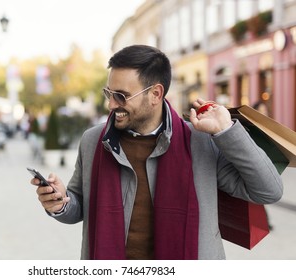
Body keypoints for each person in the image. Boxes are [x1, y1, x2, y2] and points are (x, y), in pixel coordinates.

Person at [31, 45, 283, 260]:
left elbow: (268, 190)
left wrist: (227, 131)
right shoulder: (93, 141)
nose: (110, 104)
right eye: (109, 93)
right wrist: (60, 202)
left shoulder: (201, 141)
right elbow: (77, 208)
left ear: (155, 94)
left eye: (121, 96)